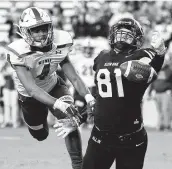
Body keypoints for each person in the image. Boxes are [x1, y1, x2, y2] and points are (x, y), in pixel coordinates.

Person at [54, 17, 166, 169]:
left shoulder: (141, 55)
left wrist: (160, 54)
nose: (123, 36)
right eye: (121, 33)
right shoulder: (102, 57)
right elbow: (101, 99)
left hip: (131, 139)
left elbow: (152, 72)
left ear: (137, 39)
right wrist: (80, 119)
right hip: (101, 137)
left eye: (128, 34)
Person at [5, 7, 95, 169]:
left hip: (54, 87)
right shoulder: (18, 51)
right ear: (26, 32)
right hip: (29, 97)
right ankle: (46, 116)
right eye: (35, 30)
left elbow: (73, 77)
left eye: (44, 28)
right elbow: (32, 89)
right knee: (40, 134)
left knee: (69, 117)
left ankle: (78, 165)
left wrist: (88, 97)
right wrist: (58, 104)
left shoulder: (60, 41)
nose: (41, 33)